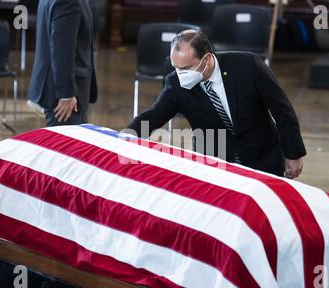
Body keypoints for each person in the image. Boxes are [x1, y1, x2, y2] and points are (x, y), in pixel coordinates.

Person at [126, 30, 306, 178]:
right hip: (213, 162)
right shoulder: (175, 83)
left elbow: (282, 110)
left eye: (185, 68)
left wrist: (294, 154)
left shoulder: (248, 65)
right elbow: (154, 115)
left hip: (262, 155)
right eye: (175, 67)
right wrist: (125, 138)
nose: (179, 74)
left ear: (206, 59)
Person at [27, 0, 98, 127]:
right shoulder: (68, 2)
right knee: (66, 145)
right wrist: (66, 95)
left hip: (59, 89)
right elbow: (62, 50)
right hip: (66, 97)